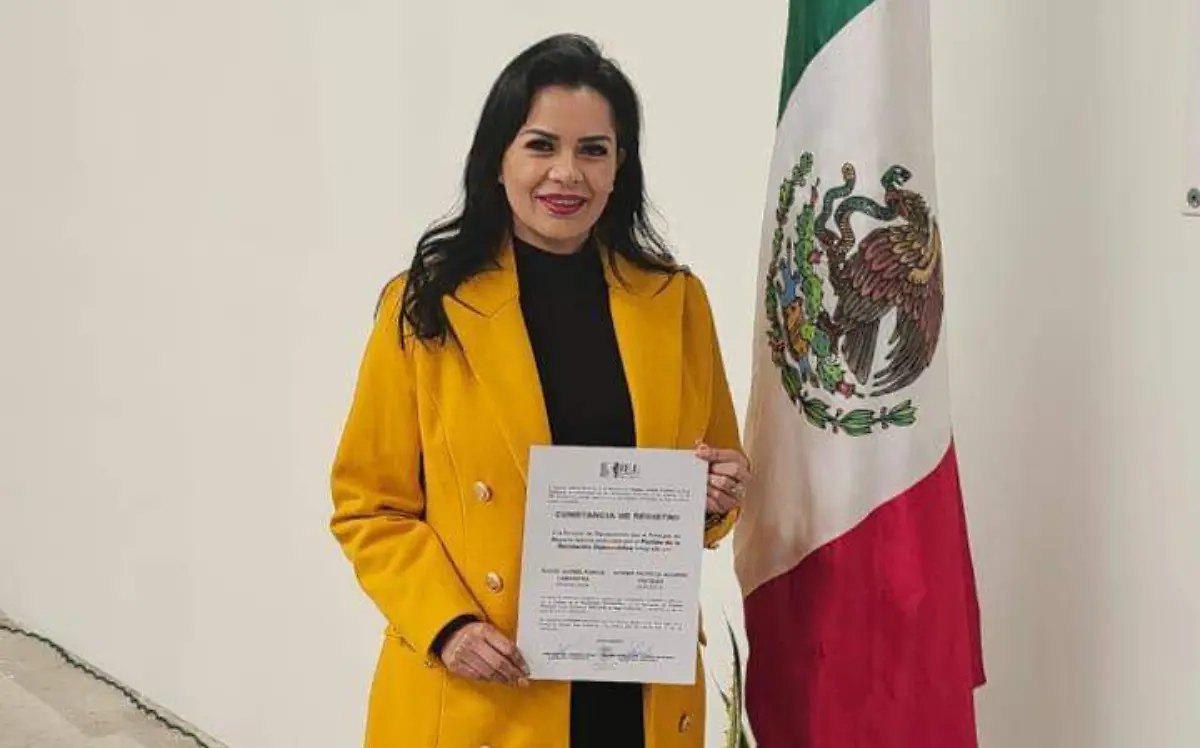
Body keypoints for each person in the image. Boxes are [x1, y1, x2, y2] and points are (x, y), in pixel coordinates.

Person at [329, 33, 750, 748]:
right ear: (499, 160)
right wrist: (448, 626)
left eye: (593, 150)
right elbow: (369, 506)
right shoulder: (427, 305)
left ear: (620, 167)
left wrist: (715, 496)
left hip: (636, 689)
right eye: (541, 145)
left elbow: (707, 488)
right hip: (487, 686)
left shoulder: (676, 302)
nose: (567, 173)